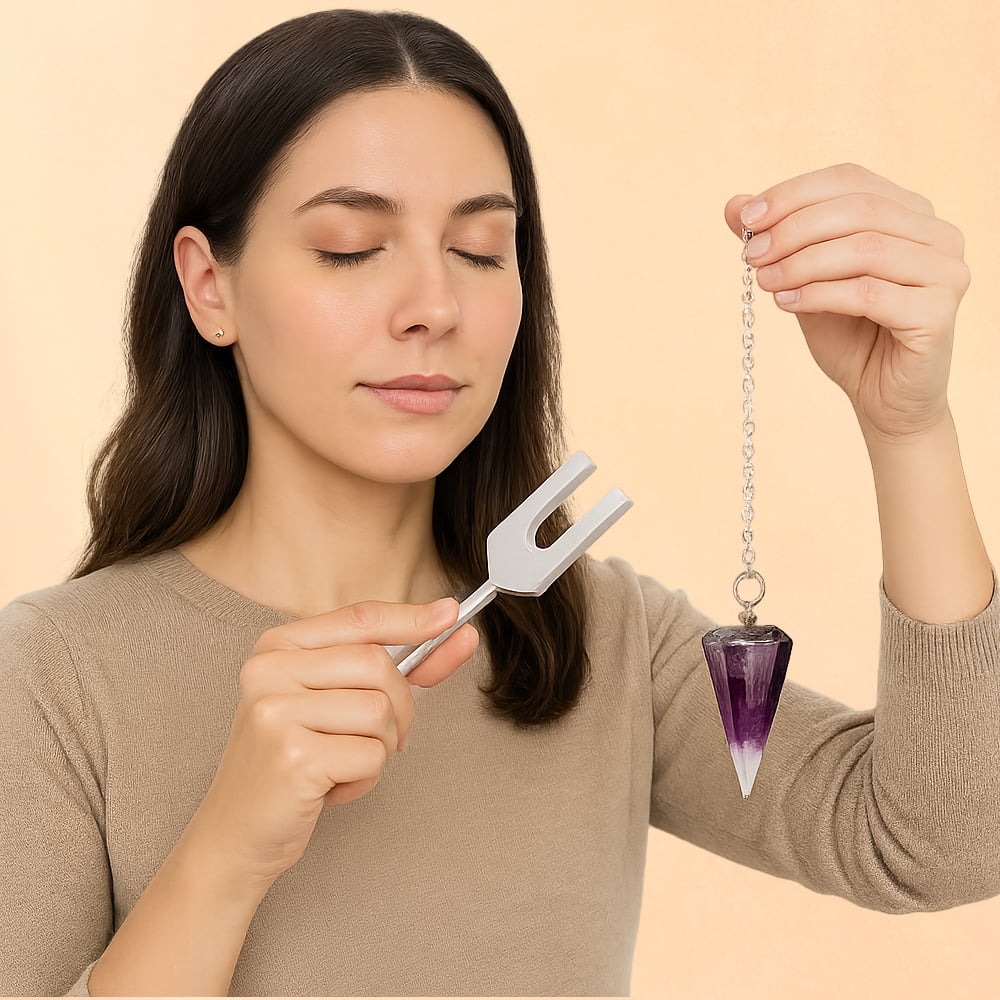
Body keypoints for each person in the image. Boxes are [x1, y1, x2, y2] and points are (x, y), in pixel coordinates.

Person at [1, 8, 997, 997]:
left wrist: (907, 427)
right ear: (208, 285)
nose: (434, 307)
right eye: (350, 247)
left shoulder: (602, 638)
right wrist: (225, 852)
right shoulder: (55, 674)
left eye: (480, 251)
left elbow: (937, 843)